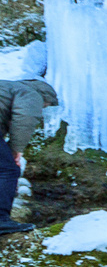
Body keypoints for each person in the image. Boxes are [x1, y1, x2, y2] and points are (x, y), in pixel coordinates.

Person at [0, 75, 59, 235]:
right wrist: (15, 150)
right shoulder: (31, 93)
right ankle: (1, 220)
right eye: (45, 106)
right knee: (7, 170)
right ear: (45, 96)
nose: (42, 108)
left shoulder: (8, 88)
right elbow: (24, 120)